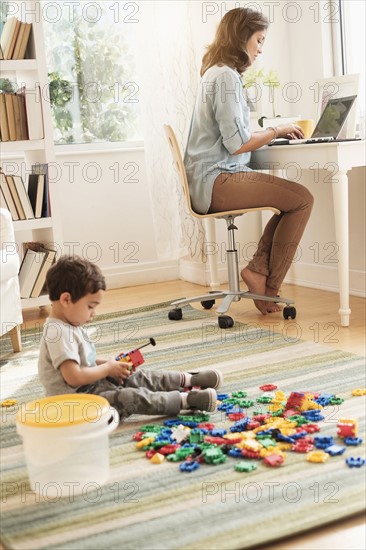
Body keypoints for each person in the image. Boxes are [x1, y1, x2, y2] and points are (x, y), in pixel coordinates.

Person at [184, 7, 314, 315]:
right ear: (242, 37)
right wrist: (276, 129)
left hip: (210, 179)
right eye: (259, 40)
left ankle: (259, 271)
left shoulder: (215, 73)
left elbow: (235, 136)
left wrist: (270, 133)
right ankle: (268, 286)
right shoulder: (226, 78)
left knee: (291, 201)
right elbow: (239, 143)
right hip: (218, 181)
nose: (260, 49)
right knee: (303, 199)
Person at [38, 256, 222, 419]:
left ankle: (188, 380)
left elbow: (85, 362)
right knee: (130, 397)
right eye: (90, 306)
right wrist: (107, 369)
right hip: (75, 404)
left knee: (136, 376)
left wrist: (111, 365)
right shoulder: (57, 332)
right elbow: (74, 377)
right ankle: (185, 400)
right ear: (66, 300)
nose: (94, 313)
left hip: (90, 385)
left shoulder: (70, 323)